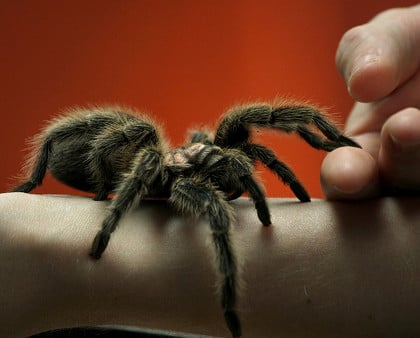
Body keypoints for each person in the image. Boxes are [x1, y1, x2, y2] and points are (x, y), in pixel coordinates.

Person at [1, 5, 419, 338]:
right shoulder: (160, 166)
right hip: (105, 168)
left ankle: (330, 141)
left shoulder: (222, 151)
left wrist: (329, 144)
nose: (243, 163)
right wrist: (105, 228)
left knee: (257, 118)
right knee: (159, 154)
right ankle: (229, 305)